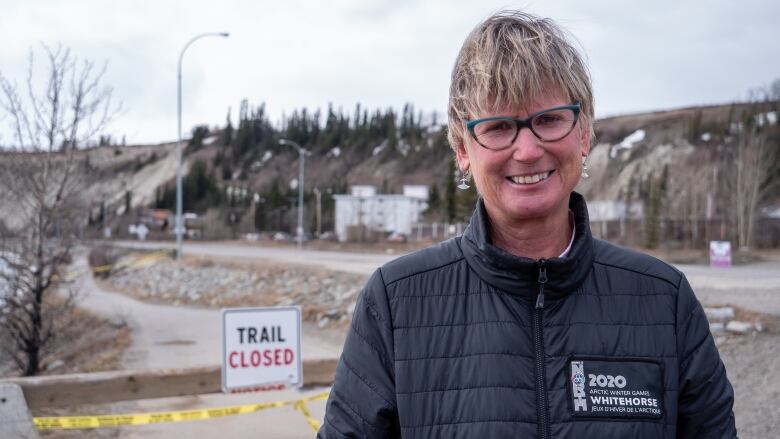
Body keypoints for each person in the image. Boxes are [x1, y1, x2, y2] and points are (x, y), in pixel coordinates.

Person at [318, 10, 736, 438]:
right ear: (463, 148)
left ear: (584, 134)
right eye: (499, 127)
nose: (528, 150)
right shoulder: (394, 303)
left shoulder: (664, 302)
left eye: (549, 120)